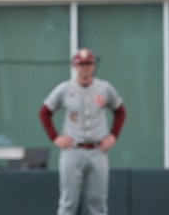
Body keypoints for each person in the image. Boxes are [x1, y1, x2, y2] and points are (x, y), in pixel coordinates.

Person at [39, 48, 126, 215]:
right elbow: (44, 112)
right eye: (81, 64)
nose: (85, 67)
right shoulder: (65, 88)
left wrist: (113, 136)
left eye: (88, 63)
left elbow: (120, 111)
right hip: (72, 150)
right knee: (68, 203)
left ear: (93, 65)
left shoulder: (104, 88)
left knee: (98, 203)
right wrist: (54, 137)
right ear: (74, 66)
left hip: (97, 150)